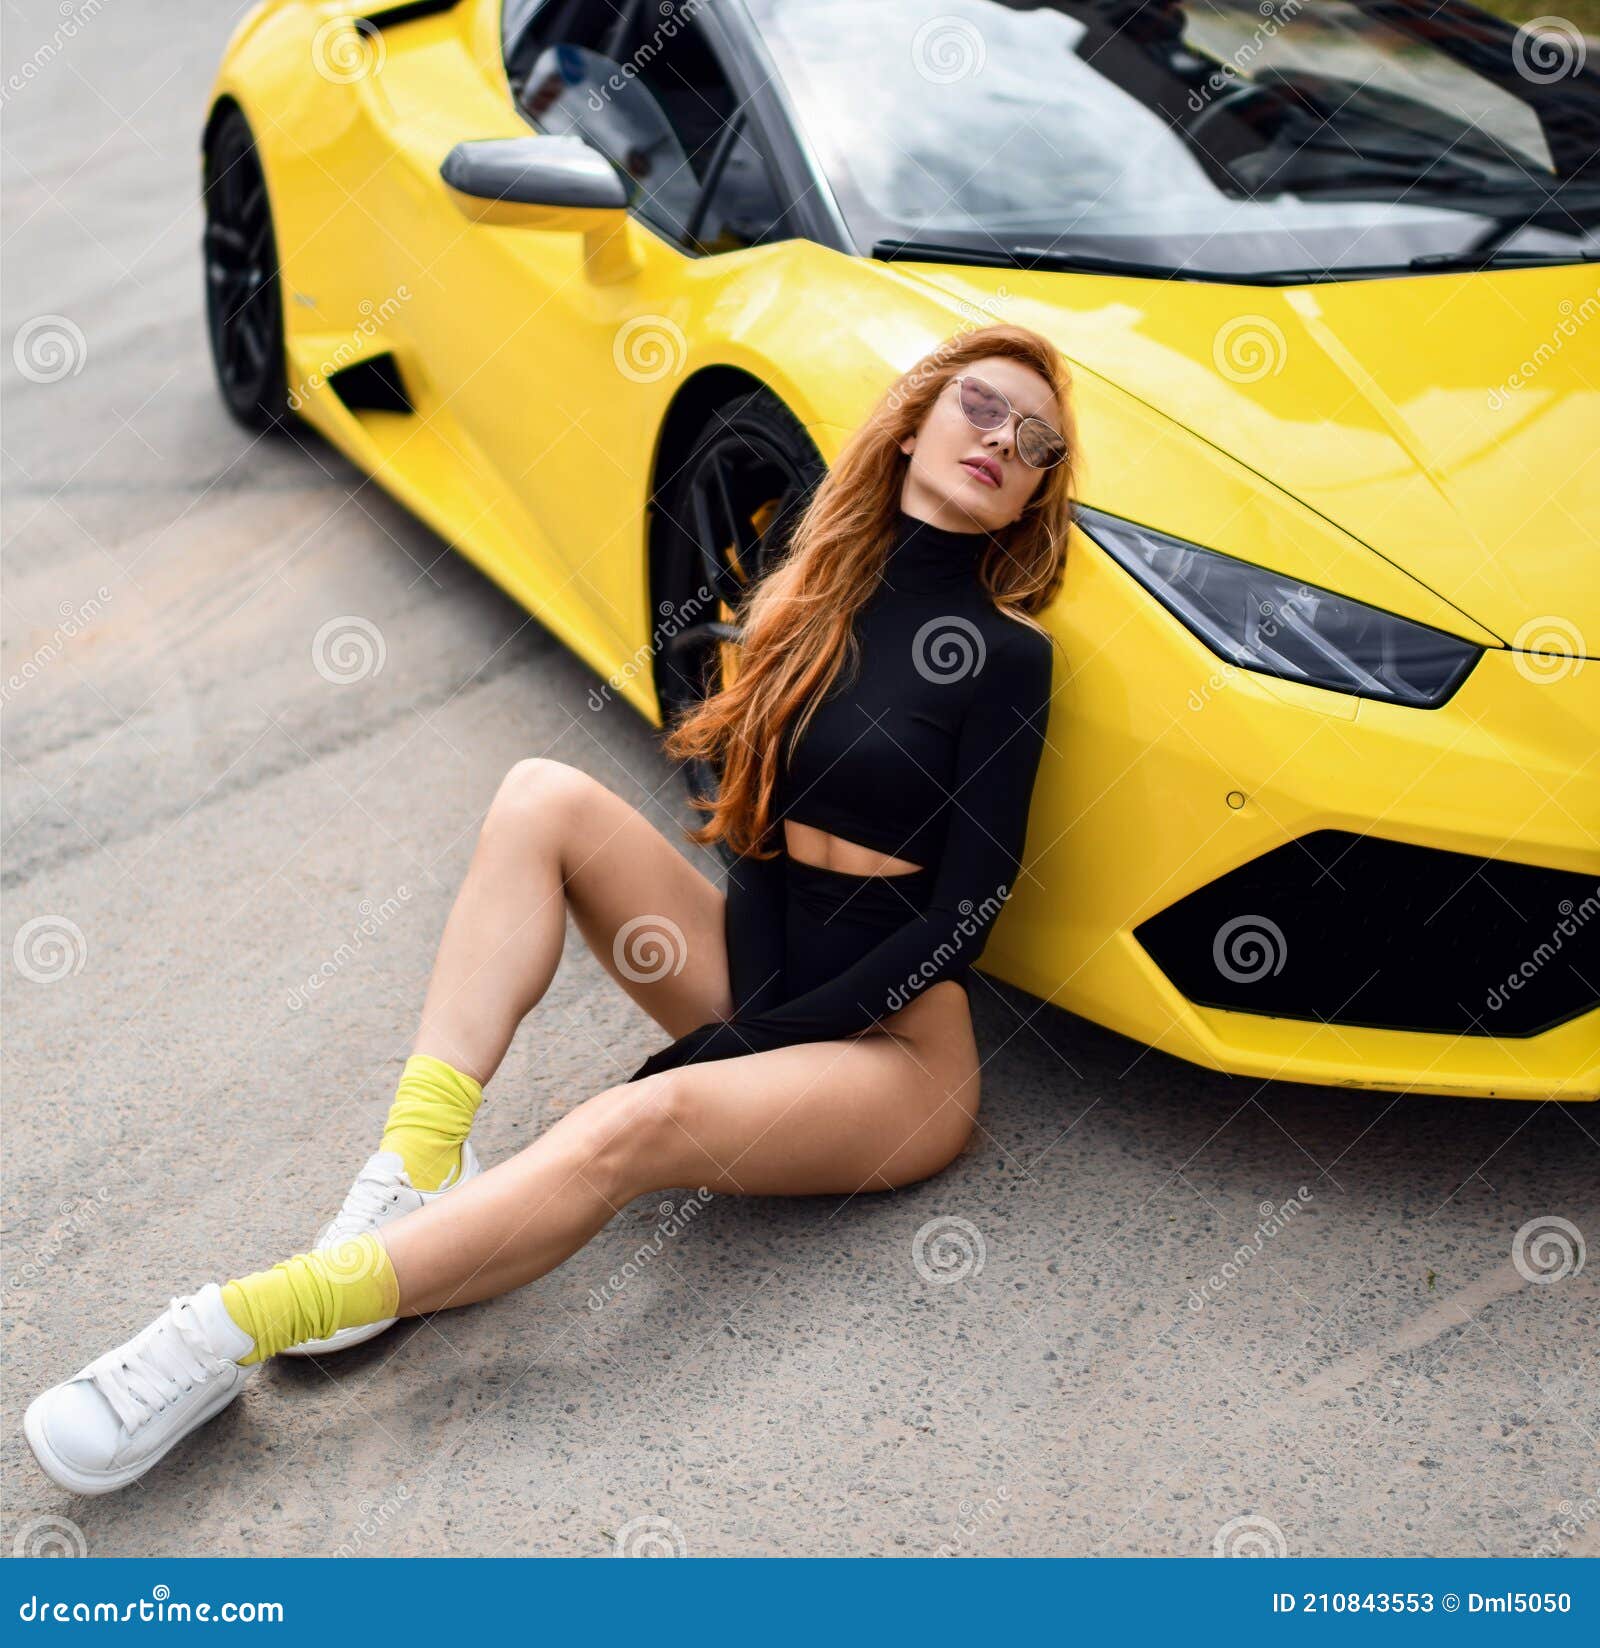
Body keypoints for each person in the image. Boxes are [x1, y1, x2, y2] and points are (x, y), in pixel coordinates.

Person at [24, 323, 1079, 1495]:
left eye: (1033, 443)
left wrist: (751, 1043)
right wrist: (748, 1014)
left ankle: (232, 1325)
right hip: (775, 975)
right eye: (982, 407)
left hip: (896, 1053)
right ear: (918, 418)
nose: (1001, 441)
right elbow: (759, 840)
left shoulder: (1005, 656)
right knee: (542, 796)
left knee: (623, 1129)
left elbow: (971, 906)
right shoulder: (804, 598)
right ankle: (416, 1164)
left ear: (1034, 495)